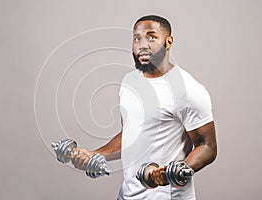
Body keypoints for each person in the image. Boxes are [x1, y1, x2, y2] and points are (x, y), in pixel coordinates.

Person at [71, 15, 217, 200]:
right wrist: (95, 154)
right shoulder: (129, 81)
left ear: (168, 42)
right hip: (126, 195)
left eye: (151, 37)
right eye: (137, 38)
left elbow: (207, 146)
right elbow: (131, 135)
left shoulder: (188, 89)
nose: (142, 45)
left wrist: (174, 172)